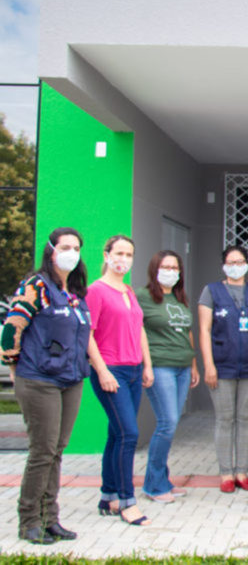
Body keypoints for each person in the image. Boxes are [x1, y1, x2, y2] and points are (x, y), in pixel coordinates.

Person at [1, 228, 91, 544]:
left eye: (76, 247)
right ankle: (28, 521)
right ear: (51, 250)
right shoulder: (36, 285)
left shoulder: (75, 292)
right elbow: (12, 327)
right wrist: (13, 364)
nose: (71, 252)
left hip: (71, 379)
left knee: (57, 451)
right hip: (39, 379)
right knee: (43, 451)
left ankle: (50, 518)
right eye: (65, 247)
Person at [86, 234, 154, 526]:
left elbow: (139, 330)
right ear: (106, 254)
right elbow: (87, 334)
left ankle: (108, 495)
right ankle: (128, 501)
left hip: (133, 369)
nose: (123, 259)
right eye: (119, 253)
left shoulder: (128, 290)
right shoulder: (96, 291)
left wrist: (147, 365)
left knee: (116, 434)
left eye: (129, 254)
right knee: (129, 434)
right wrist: (102, 371)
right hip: (110, 369)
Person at [198, 245, 248, 494]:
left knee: (246, 420)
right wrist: (209, 365)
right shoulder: (212, 291)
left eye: (240, 261)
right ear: (224, 264)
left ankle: (242, 471)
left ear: (247, 264)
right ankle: (226, 473)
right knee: (225, 419)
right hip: (222, 366)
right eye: (231, 261)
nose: (236, 266)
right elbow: (204, 329)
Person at [137, 250, 198, 503]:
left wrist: (194, 365)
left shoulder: (180, 298)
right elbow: (137, 331)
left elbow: (187, 332)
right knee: (167, 423)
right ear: (155, 269)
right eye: (166, 267)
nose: (171, 272)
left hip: (183, 366)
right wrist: (147, 366)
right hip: (160, 365)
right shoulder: (142, 296)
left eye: (175, 268)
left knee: (171, 425)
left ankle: (163, 479)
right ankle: (153, 485)